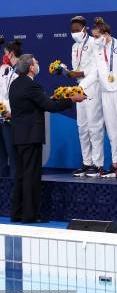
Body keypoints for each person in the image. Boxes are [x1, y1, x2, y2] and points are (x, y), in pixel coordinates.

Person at [9, 54, 85, 223]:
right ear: (30, 67)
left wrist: (55, 98)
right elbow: (48, 106)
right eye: (36, 62)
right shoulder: (32, 85)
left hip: (18, 136)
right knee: (31, 176)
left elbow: (36, 103)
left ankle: (17, 213)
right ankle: (30, 216)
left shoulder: (15, 84)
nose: (38, 64)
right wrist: (71, 99)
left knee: (21, 175)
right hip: (30, 137)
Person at [80, 17, 117, 179]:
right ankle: (115, 164)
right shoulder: (97, 52)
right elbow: (94, 74)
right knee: (112, 131)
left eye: (97, 37)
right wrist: (80, 87)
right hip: (106, 92)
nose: (95, 40)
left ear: (106, 34)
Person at [66, 16, 105, 177]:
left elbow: (96, 69)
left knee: (94, 127)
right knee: (82, 127)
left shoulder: (94, 43)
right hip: (78, 87)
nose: (74, 33)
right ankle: (86, 162)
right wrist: (68, 72)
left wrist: (80, 73)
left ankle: (98, 164)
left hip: (93, 86)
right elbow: (76, 68)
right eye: (72, 31)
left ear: (84, 29)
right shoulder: (75, 46)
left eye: (77, 30)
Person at [0, 39, 22, 179]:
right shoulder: (2, 69)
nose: (4, 56)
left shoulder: (22, 69)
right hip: (1, 116)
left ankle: (16, 186)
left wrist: (12, 113)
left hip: (12, 118)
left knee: (13, 153)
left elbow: (22, 96)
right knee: (1, 156)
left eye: (5, 53)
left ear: (11, 53)